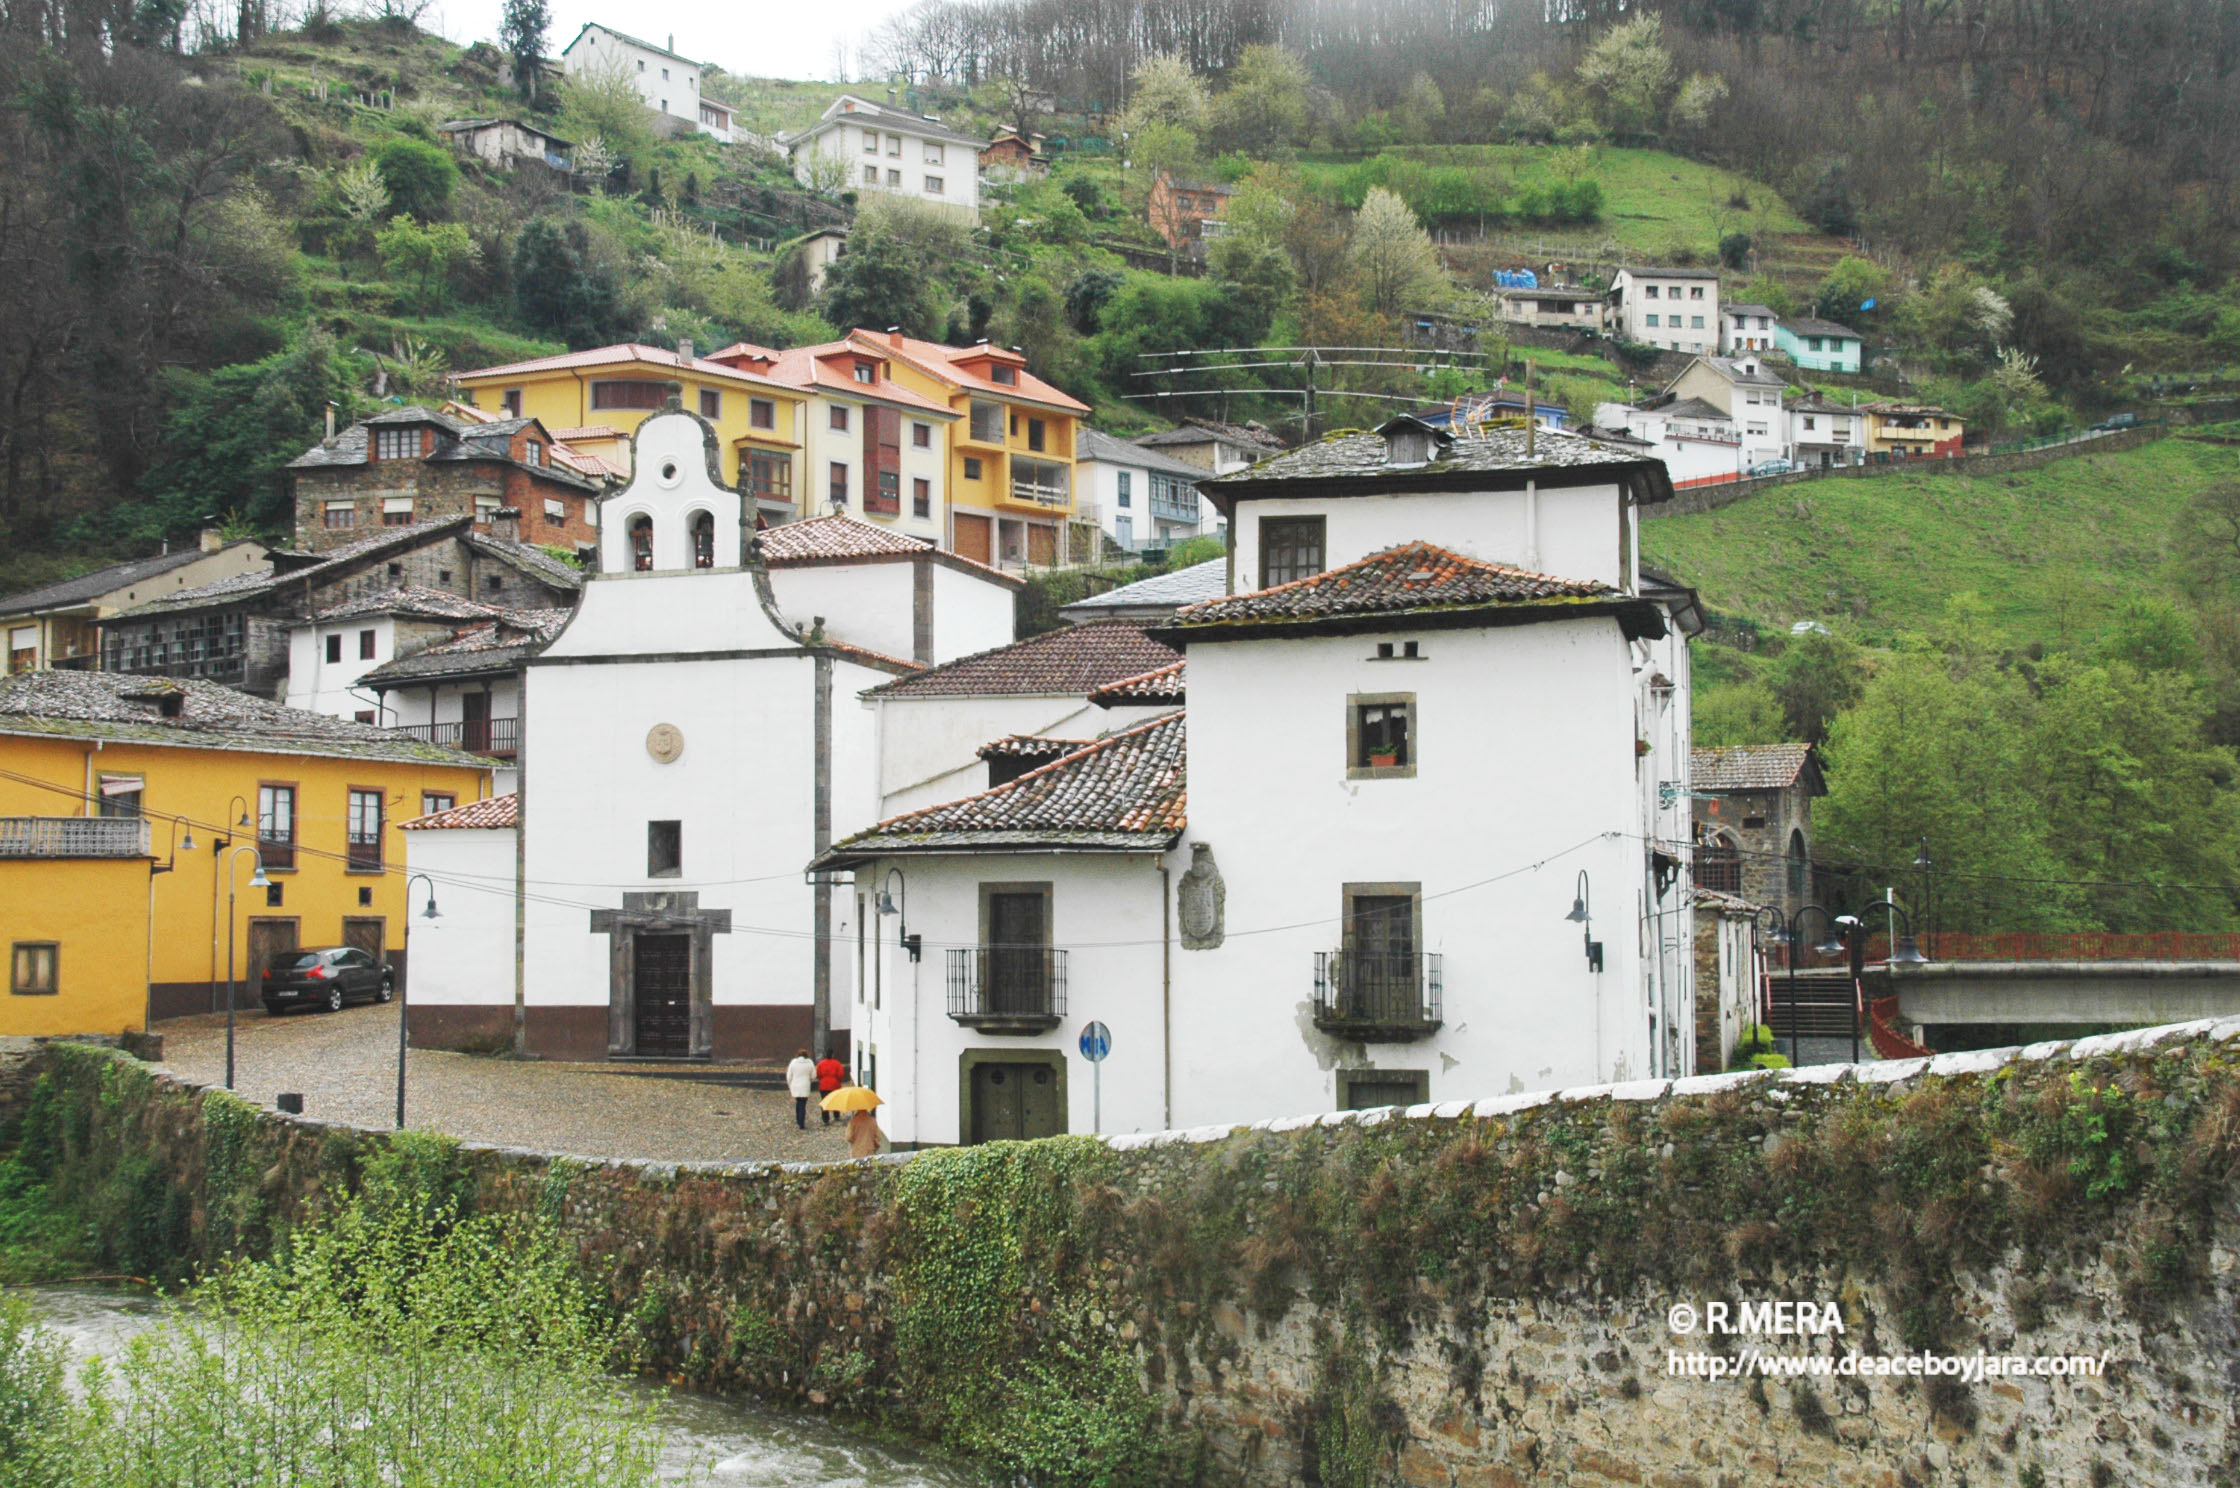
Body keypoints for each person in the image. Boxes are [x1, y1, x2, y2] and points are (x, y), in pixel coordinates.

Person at [784, 1048, 817, 1131]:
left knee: (798, 1102)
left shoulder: (793, 1063)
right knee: (803, 1104)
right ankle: (801, 1122)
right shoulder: (810, 1063)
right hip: (805, 1085)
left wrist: (790, 1085)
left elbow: (789, 1076)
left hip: (795, 1085)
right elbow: (814, 1075)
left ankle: (798, 1120)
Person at [814, 1048, 845, 1126]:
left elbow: (818, 1075)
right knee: (836, 1100)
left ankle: (825, 1119)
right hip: (835, 1085)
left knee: (825, 1101)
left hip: (823, 1085)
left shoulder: (821, 1064)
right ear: (832, 1055)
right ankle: (836, 1115)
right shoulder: (837, 1063)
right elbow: (840, 1074)